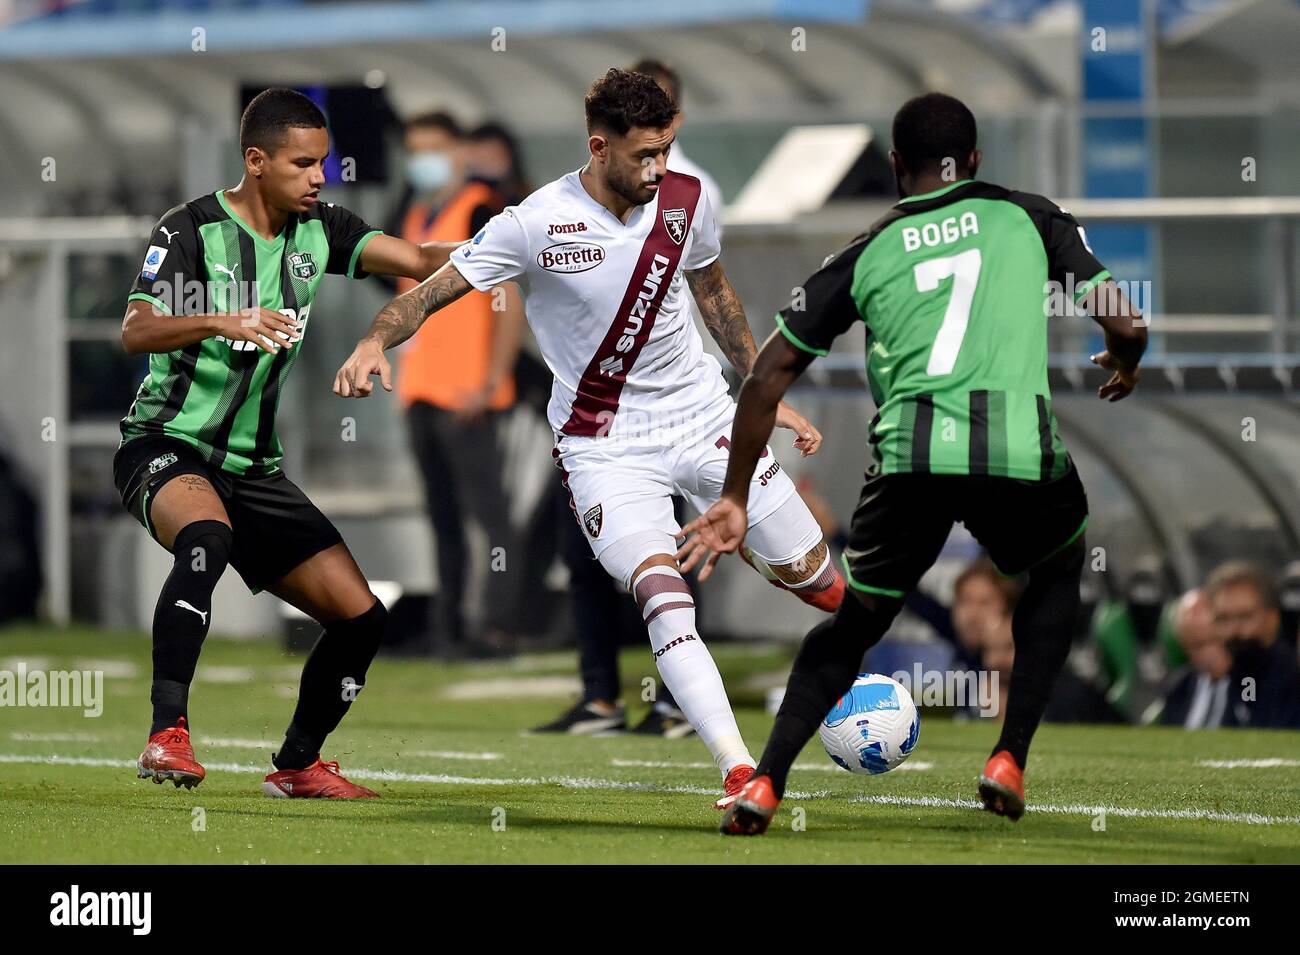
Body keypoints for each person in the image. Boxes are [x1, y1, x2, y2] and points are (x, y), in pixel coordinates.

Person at [334, 68, 844, 808]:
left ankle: (794, 586)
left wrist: (766, 391)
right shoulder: (532, 223)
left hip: (703, 420)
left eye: (668, 149)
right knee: (665, 594)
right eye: (645, 155)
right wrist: (374, 340)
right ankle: (740, 771)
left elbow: (716, 295)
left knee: (822, 583)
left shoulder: (685, 199)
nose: (660, 168)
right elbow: (426, 293)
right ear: (599, 147)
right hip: (605, 447)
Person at [677, 91, 1148, 834]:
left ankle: (764, 782)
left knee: (853, 627)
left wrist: (736, 494)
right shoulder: (1029, 214)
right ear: (976, 161)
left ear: (897, 166)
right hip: (1016, 454)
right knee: (1056, 569)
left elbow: (765, 376)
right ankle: (1008, 756)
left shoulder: (867, 249)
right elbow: (1127, 317)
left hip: (908, 463)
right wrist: (1124, 358)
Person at [117, 88, 463, 798]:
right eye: (303, 164)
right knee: (205, 536)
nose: (318, 178)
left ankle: (299, 762)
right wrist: (223, 321)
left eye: (323, 164)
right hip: (168, 444)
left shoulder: (323, 228)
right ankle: (166, 734)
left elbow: (423, 257)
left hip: (254, 469)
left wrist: (532, 244)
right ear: (256, 160)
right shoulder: (190, 230)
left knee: (361, 617)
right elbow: (137, 328)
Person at [533, 58, 729, 737]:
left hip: (674, 409)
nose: (654, 152)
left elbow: (711, 291)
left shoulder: (689, 190)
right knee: (584, 552)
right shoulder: (571, 200)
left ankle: (674, 702)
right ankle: (601, 698)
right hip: (591, 412)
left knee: (679, 545)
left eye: (664, 125)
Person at [391, 111, 527, 656]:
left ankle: (496, 626)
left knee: (492, 518)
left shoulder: (480, 210)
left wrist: (491, 378)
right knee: (443, 518)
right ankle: (450, 627)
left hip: (467, 393)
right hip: (421, 390)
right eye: (415, 148)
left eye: (434, 147)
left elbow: (508, 297)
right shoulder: (419, 214)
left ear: (459, 151)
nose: (422, 158)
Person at [1204, 561, 1300, 728]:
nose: (1234, 630)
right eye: (1224, 619)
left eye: (1244, 617)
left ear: (1272, 618)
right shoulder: (1217, 679)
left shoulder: (1290, 680)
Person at [1159, 590, 1234, 728]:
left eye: (1214, 641)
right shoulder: (1179, 688)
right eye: (1197, 645)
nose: (1208, 654)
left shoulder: (1250, 684)